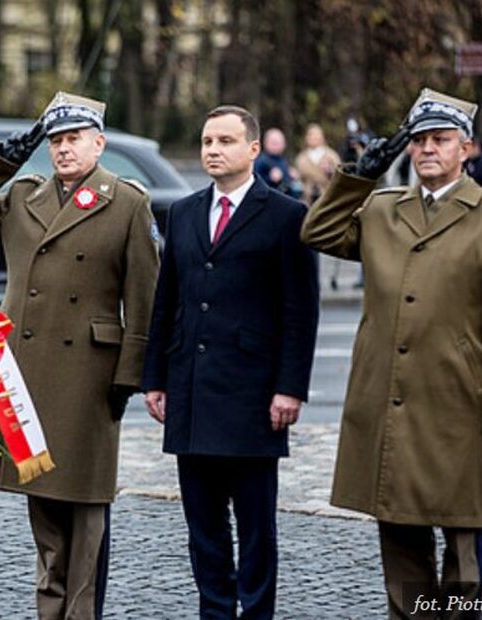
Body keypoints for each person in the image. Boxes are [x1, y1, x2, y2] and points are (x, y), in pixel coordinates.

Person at [0, 92, 159, 619]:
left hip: (91, 375)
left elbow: (144, 298)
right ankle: (50, 610)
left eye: (73, 139)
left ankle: (81, 612)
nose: (63, 149)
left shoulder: (127, 202)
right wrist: (3, 158)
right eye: (55, 140)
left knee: (86, 506)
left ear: (99, 143)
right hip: (28, 374)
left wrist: (131, 374)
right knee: (43, 506)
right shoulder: (23, 196)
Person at [301, 88, 482, 619]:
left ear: (465, 149)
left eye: (440, 140)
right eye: (419, 140)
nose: (427, 149)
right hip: (393, 405)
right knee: (402, 547)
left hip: (461, 408)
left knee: (467, 556)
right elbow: (319, 230)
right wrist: (357, 177)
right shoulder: (381, 209)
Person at [142, 105, 319, 619]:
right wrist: (155, 377)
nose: (213, 150)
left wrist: (290, 388)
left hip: (254, 399)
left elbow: (299, 311)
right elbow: (167, 300)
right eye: (206, 141)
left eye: (224, 141)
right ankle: (215, 612)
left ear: (252, 150)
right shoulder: (184, 211)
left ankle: (257, 613)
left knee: (257, 528)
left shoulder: (286, 216)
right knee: (204, 529)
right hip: (192, 394)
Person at [294, 123, 341, 204]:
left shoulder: (331, 155)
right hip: (308, 199)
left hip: (327, 198)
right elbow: (298, 180)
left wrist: (329, 170)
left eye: (316, 135)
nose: (313, 138)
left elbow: (339, 176)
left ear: (322, 137)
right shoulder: (301, 158)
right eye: (310, 135)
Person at [254, 126, 303, 199]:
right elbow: (255, 181)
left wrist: (290, 175)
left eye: (280, 143)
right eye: (274, 143)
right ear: (265, 143)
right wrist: (269, 178)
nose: (277, 146)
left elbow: (285, 181)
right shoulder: (261, 161)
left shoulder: (283, 160)